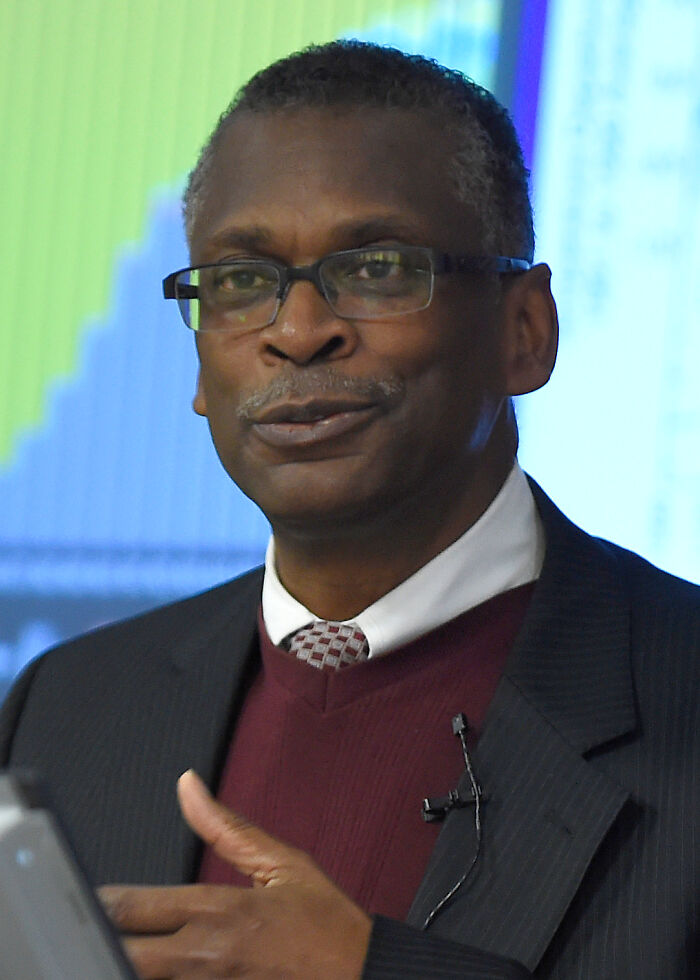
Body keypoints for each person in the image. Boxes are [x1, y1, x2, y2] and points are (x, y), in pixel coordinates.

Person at [1, 40, 698, 980]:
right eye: (241, 282)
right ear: (201, 368)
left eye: (377, 269)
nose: (297, 332)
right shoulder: (69, 706)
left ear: (524, 332)